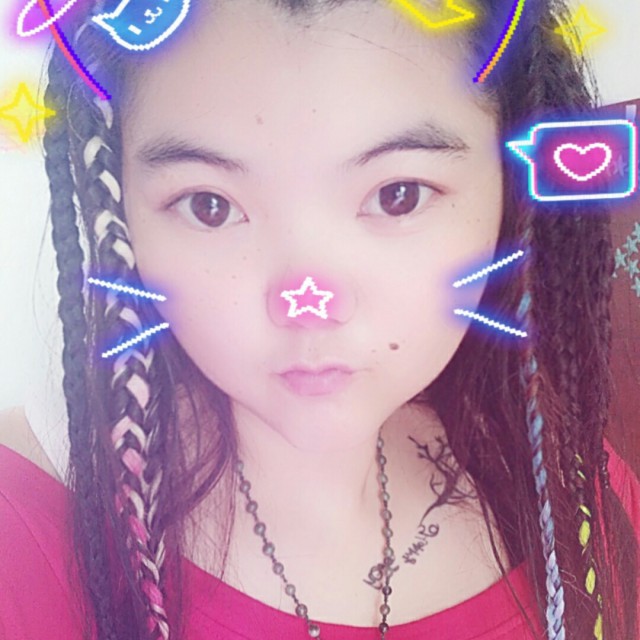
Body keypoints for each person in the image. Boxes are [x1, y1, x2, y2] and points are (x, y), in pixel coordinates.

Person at [0, 0, 638, 639]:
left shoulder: (573, 487)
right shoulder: (22, 533)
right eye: (209, 205)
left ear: (507, 195)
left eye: (398, 196)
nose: (308, 303)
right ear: (121, 213)